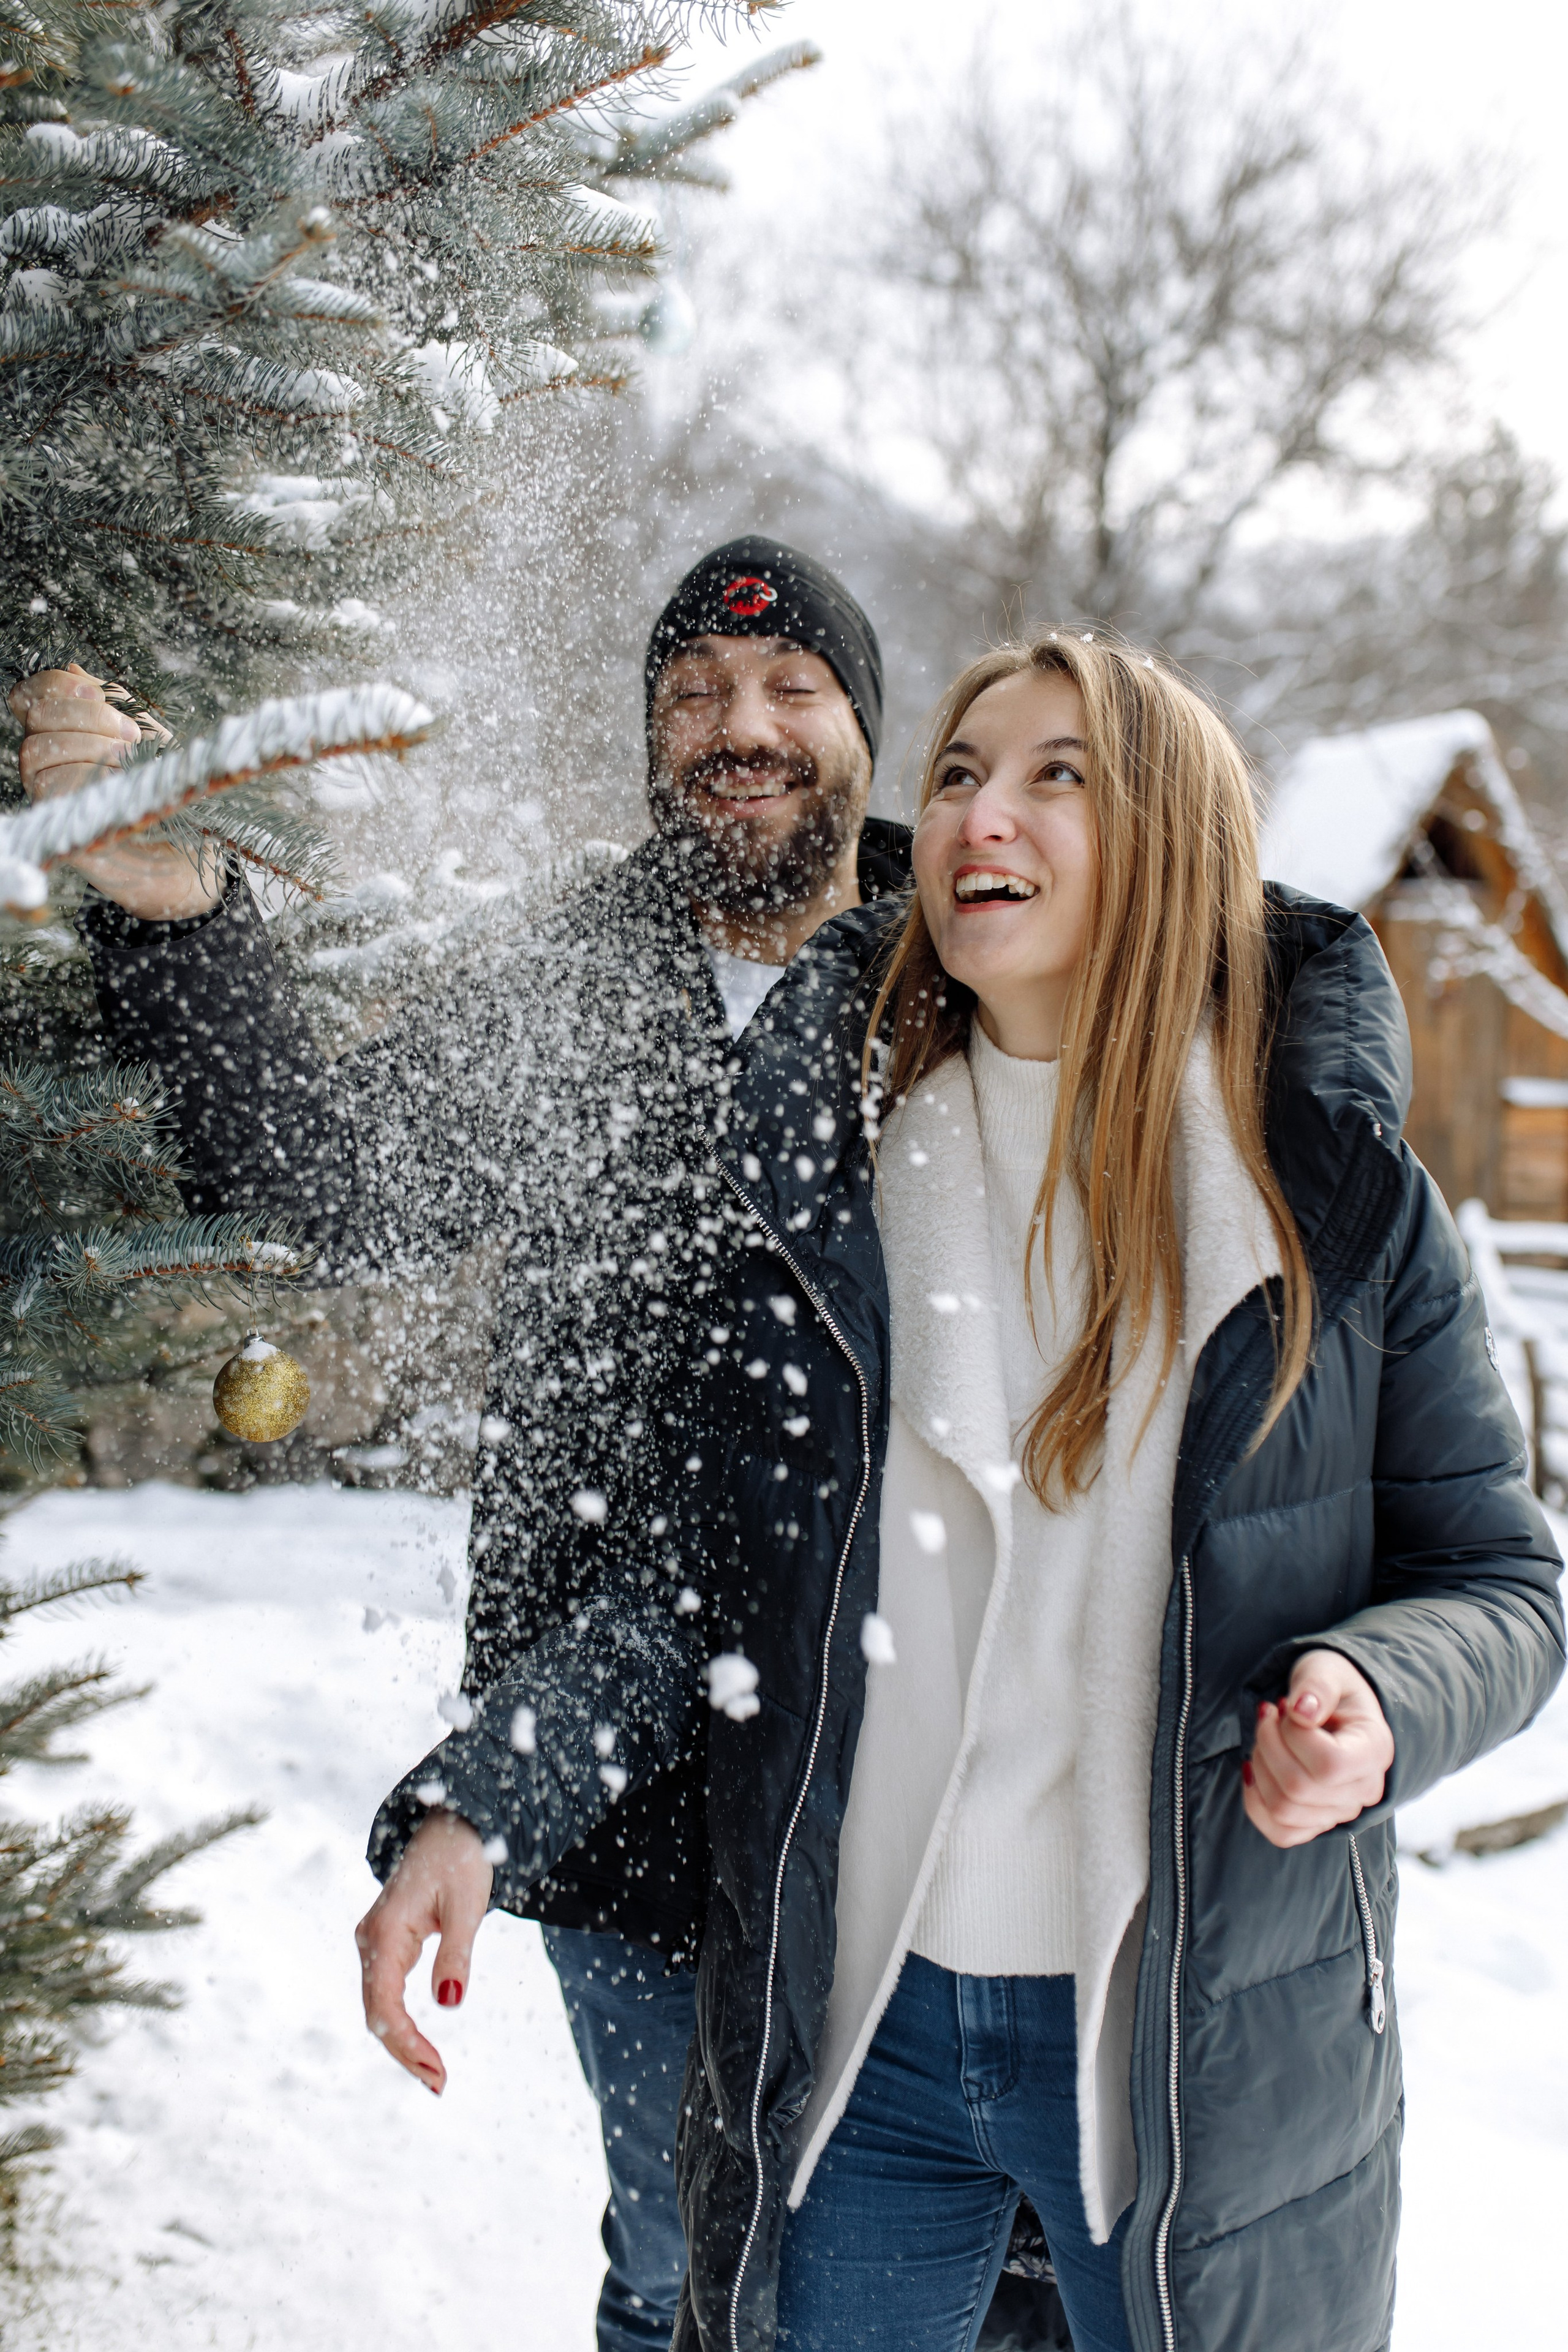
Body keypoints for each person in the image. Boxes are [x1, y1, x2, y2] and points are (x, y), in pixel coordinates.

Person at [353, 629, 1563, 2352]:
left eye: (1058, 773)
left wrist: (1382, 1694)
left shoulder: (1339, 1209)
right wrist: (480, 1808)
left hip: (1196, 2050)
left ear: (1177, 836)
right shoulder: (827, 1191)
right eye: (960, 774)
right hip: (871, 2043)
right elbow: (702, 1574)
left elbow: (1506, 1585)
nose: (982, 812)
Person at [9, 538, 908, 2352]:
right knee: (680, 2259)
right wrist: (173, 910)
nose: (741, 729)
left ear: (867, 734)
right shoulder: (574, 983)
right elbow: (319, 1172)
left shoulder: (954, 982)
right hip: (616, 1775)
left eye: (792, 690)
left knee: (918, 2270)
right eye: (694, 698)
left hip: (903, 1767)